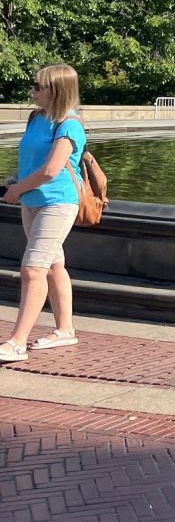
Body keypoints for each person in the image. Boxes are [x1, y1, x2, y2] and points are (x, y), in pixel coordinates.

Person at [1, 64, 87, 362]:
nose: (32, 91)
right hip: (32, 200)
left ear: (57, 90)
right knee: (52, 266)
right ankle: (65, 330)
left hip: (57, 202)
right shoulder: (36, 118)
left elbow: (52, 170)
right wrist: (16, 180)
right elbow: (32, 159)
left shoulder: (69, 125)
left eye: (39, 86)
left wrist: (18, 189)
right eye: (34, 85)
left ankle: (17, 343)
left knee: (32, 270)